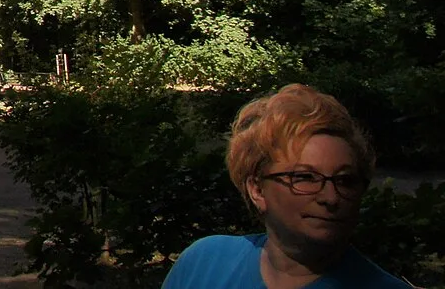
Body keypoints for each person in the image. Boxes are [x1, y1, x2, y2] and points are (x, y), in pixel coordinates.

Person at [163, 83, 407, 288]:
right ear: (257, 189)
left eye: (345, 180)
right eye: (305, 177)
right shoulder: (205, 264)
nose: (331, 197)